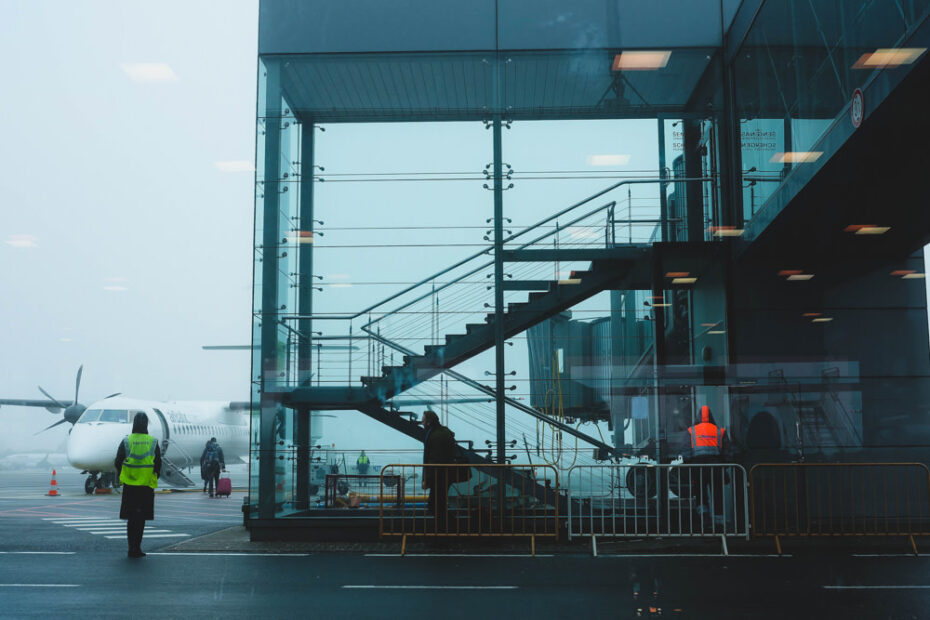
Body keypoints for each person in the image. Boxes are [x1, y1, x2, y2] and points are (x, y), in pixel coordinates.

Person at [114, 412, 161, 558]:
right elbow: (158, 463)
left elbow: (118, 461)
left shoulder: (127, 441)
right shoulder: (153, 441)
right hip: (146, 486)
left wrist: (125, 473)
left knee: (131, 519)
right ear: (146, 424)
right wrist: (153, 475)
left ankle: (131, 548)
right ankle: (138, 548)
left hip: (130, 485)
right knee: (140, 520)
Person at [686, 405, 728, 524]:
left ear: (698, 416)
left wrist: (688, 464)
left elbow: (685, 451)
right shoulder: (719, 431)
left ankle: (704, 522)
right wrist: (725, 466)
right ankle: (719, 525)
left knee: (700, 494)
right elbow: (728, 452)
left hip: (698, 468)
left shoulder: (692, 431)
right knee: (717, 495)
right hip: (716, 468)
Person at [421, 410, 457, 532]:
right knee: (439, 505)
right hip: (445, 474)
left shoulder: (435, 435)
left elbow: (434, 460)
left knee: (435, 505)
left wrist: (427, 480)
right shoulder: (444, 432)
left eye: (423, 420)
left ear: (429, 422)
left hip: (439, 476)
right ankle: (446, 530)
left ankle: (446, 531)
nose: (422, 422)